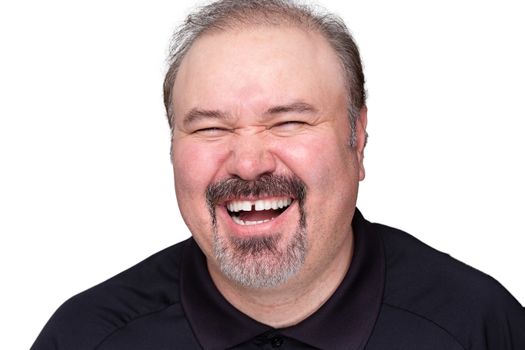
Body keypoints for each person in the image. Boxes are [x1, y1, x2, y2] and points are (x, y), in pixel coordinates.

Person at [31, 1, 525, 349]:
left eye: (289, 121)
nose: (248, 163)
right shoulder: (85, 337)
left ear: (359, 138)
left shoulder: (480, 327)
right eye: (210, 127)